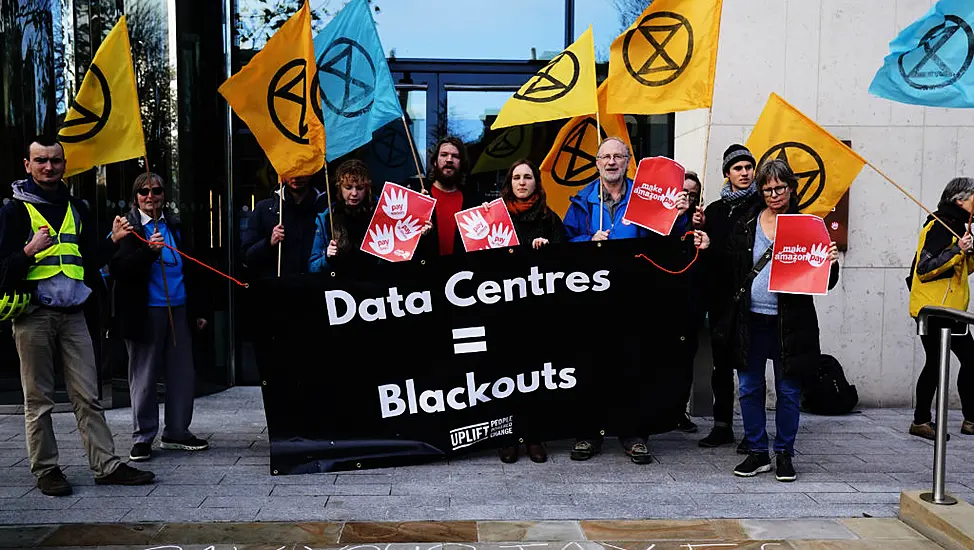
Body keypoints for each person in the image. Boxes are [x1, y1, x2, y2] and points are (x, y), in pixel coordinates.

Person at [0, 135, 155, 496]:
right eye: (40, 161)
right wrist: (28, 250)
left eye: (55, 160)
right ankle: (47, 470)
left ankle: (106, 465)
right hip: (33, 314)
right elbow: (3, 268)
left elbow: (85, 261)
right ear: (27, 165)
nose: (48, 167)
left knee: (88, 395)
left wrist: (113, 241)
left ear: (64, 164)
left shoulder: (76, 207)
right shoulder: (12, 210)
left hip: (73, 314)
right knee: (38, 399)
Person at [563, 137, 707, 464]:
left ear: (628, 161)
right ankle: (589, 434)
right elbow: (566, 246)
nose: (611, 161)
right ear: (597, 163)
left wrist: (683, 217)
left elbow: (668, 241)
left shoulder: (645, 196)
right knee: (592, 367)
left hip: (636, 298)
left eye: (618, 156)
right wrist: (588, 240)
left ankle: (633, 435)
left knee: (634, 366)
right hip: (593, 301)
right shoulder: (581, 201)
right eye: (605, 157)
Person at [716, 158, 839, 482]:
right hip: (750, 320)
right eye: (767, 188)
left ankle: (784, 453)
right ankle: (758, 452)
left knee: (787, 391)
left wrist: (830, 263)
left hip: (790, 324)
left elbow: (825, 282)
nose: (773, 194)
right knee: (749, 388)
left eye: (779, 188)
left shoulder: (808, 226)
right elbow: (728, 268)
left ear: (791, 188)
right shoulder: (746, 224)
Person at [110, 172, 210, 462]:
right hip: (145, 311)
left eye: (156, 191)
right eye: (143, 192)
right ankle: (143, 437)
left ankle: (177, 432)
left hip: (178, 307)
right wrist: (148, 252)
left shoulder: (176, 226)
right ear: (135, 197)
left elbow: (194, 268)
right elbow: (119, 269)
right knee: (144, 375)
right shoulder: (126, 227)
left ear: (164, 195)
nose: (150, 197)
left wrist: (199, 310)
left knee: (182, 373)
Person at [494, 159, 566, 464]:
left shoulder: (550, 219)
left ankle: (535, 436)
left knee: (535, 375)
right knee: (505, 375)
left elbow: (567, 261)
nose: (522, 182)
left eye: (527, 177)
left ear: (536, 182)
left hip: (539, 312)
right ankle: (508, 436)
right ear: (509, 183)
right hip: (502, 308)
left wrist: (548, 250)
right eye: (516, 178)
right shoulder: (493, 218)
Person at [698, 144, 762, 452]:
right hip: (721, 299)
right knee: (720, 366)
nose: (745, 172)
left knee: (750, 367)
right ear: (727, 174)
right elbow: (706, 259)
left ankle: (754, 433)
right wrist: (698, 230)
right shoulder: (714, 211)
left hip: (750, 299)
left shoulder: (761, 208)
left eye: (749, 167)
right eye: (738, 168)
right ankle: (722, 425)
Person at [907, 176, 974, 439]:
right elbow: (925, 268)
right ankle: (921, 421)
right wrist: (957, 249)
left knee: (970, 361)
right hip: (934, 311)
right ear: (959, 200)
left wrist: (969, 253)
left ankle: (970, 419)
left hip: (953, 310)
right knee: (935, 363)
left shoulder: (959, 226)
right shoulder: (941, 225)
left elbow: (960, 271)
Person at [309, 160, 429, 273]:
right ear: (339, 187)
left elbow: (403, 253)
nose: (354, 193)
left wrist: (420, 212)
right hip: (343, 288)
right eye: (348, 187)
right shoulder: (326, 218)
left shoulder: (383, 210)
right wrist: (327, 257)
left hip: (379, 283)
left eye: (360, 188)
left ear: (367, 188)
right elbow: (313, 267)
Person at [240, 173, 327, 278]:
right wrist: (269, 243)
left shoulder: (326, 208)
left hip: (317, 286)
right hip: (277, 287)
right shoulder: (264, 209)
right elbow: (247, 258)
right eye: (291, 171)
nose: (296, 177)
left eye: (301, 171)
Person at [673, 171, 706, 434]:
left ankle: (678, 411)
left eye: (691, 194)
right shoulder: (664, 217)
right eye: (682, 192)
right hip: (663, 297)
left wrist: (698, 227)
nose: (686, 197)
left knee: (685, 359)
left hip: (690, 299)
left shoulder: (701, 221)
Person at [421, 136, 482, 256]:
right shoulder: (421, 198)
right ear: (434, 161)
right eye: (444, 155)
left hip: (462, 273)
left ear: (461, 164)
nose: (449, 160)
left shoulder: (473, 202)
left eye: (455, 156)